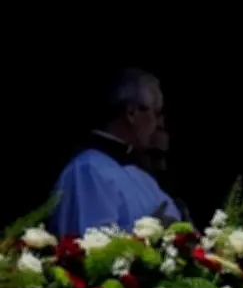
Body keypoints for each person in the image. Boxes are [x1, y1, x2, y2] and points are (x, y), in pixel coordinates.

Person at [50, 68, 181, 236]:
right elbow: (90, 251)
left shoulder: (143, 177)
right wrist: (154, 237)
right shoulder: (88, 170)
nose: (158, 124)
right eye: (155, 113)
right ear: (132, 112)